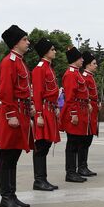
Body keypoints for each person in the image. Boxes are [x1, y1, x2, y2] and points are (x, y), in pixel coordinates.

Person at [0, 25, 34, 207]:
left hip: (21, 111)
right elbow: (6, 90)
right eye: (25, 39)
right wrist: (10, 114)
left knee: (14, 155)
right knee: (7, 155)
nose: (28, 42)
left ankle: (12, 194)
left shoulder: (20, 61)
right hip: (13, 112)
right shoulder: (9, 62)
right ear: (16, 43)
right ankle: (5, 196)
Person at [31, 36, 60, 191]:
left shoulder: (49, 67)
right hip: (43, 109)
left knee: (46, 144)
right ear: (45, 52)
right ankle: (39, 180)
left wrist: (55, 105)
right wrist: (39, 115)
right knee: (41, 145)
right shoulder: (40, 69)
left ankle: (43, 179)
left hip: (50, 108)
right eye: (52, 49)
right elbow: (37, 93)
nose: (55, 51)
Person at [60, 47, 90, 181]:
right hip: (75, 109)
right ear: (75, 59)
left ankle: (74, 170)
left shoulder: (76, 73)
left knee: (77, 142)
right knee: (72, 143)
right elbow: (70, 96)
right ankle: (70, 172)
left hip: (80, 108)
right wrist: (73, 113)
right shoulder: (71, 74)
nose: (82, 60)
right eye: (80, 58)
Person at [78, 51, 99, 177]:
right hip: (88, 109)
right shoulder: (85, 77)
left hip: (93, 109)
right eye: (94, 63)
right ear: (87, 65)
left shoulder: (89, 76)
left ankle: (83, 165)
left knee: (88, 139)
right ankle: (81, 166)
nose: (96, 65)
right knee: (84, 140)